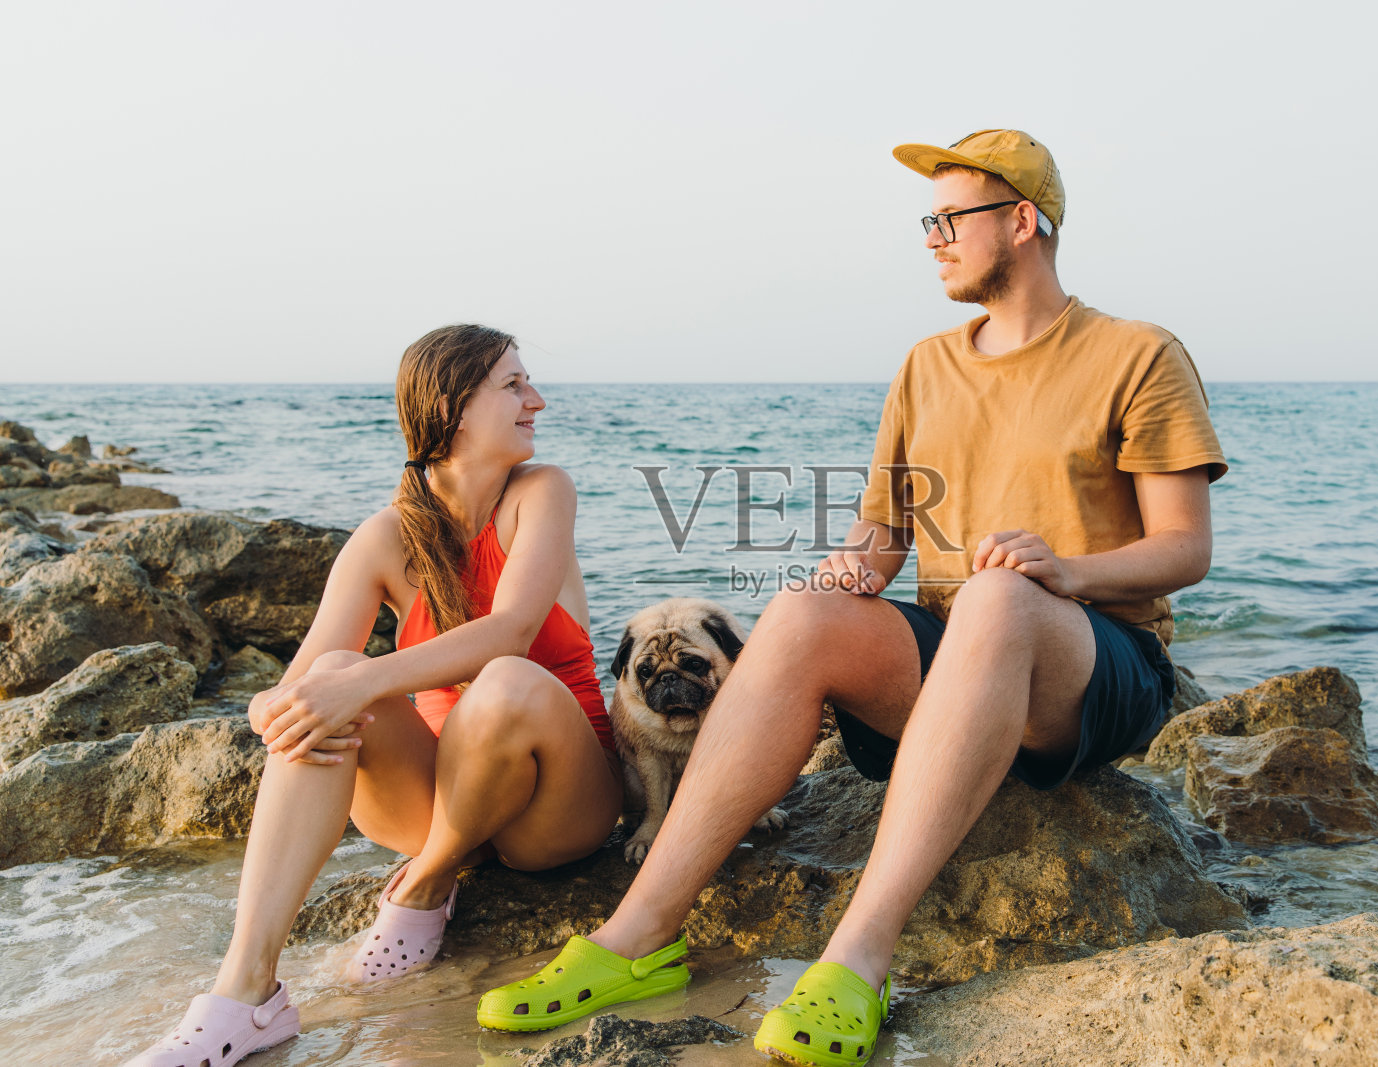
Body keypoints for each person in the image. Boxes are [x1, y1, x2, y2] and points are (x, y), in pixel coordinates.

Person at [474, 129, 1227, 1066]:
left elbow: (1185, 548)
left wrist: (1070, 571)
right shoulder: (925, 365)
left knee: (995, 598)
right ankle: (639, 937)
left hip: (1095, 670)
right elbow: (886, 533)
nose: (932, 238)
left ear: (1024, 221)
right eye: (930, 221)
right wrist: (850, 572)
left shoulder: (1138, 353)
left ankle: (858, 961)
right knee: (797, 614)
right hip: (961, 666)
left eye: (950, 217)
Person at [128, 324, 621, 1067]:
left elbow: (513, 630)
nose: (537, 401)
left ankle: (427, 880)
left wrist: (366, 676)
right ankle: (246, 990)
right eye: (514, 385)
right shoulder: (385, 538)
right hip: (438, 799)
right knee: (329, 672)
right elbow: (292, 687)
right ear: (455, 408)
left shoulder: (541, 493)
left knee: (502, 678)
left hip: (556, 807)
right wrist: (282, 706)